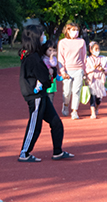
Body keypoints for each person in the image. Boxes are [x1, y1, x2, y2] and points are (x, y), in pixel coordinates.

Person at [17, 25, 72, 163]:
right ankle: (24, 153)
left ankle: (58, 151)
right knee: (35, 124)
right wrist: (51, 75)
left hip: (42, 95)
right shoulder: (32, 57)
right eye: (41, 35)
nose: (44, 37)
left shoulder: (32, 54)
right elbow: (44, 77)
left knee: (56, 122)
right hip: (35, 95)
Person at [57, 22, 87, 120]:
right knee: (67, 91)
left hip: (78, 69)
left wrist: (85, 71)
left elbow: (84, 57)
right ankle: (65, 105)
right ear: (68, 31)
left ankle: (74, 110)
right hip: (67, 70)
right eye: (73, 30)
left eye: (77, 30)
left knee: (76, 91)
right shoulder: (62, 42)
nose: (76, 32)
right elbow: (60, 58)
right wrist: (62, 71)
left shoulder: (81, 42)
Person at [84, 41, 107, 119]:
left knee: (99, 98)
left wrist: (103, 69)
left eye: (98, 49)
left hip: (100, 80)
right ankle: (93, 112)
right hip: (92, 80)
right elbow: (86, 70)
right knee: (93, 96)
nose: (97, 51)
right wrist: (92, 68)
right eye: (95, 49)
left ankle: (97, 106)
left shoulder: (103, 59)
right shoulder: (88, 59)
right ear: (91, 50)